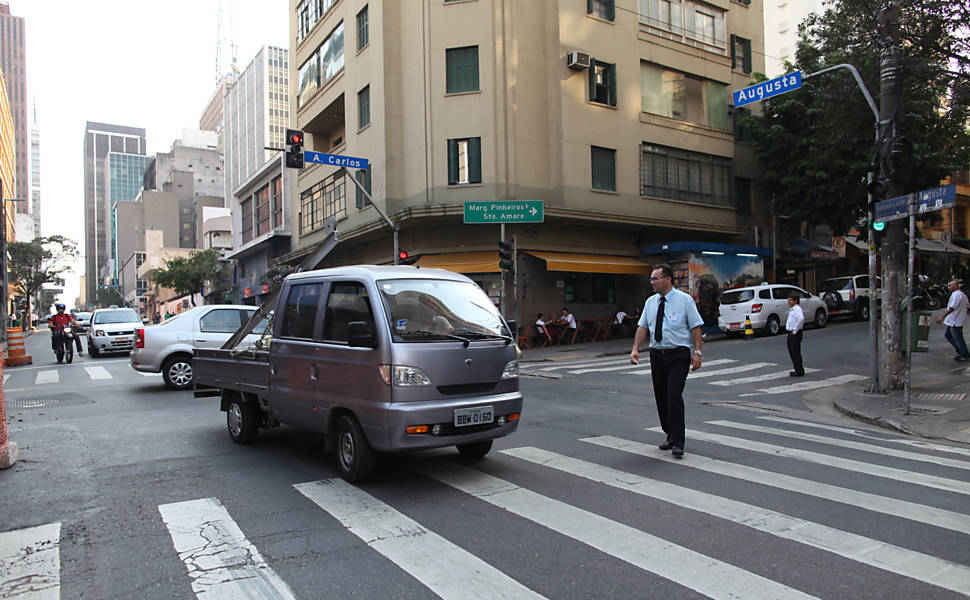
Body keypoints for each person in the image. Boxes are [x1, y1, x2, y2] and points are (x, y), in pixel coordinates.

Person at [630, 264, 703, 458]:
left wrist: (697, 353)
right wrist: (636, 348)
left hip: (678, 354)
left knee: (673, 395)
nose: (652, 282)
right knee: (661, 397)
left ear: (668, 279)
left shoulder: (685, 300)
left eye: (655, 279)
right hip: (657, 354)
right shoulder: (651, 302)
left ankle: (678, 442)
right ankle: (669, 434)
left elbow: (696, 327)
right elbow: (642, 327)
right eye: (651, 279)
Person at [936, 279, 969, 361]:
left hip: (955, 320)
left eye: (950, 285)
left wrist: (942, 317)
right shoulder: (962, 295)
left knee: (957, 338)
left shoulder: (957, 295)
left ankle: (964, 354)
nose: (948, 287)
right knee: (948, 335)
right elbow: (967, 305)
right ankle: (960, 351)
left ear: (956, 286)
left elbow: (952, 308)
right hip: (954, 320)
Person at [786, 292, 805, 376]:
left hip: (795, 334)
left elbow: (801, 319)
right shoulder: (793, 309)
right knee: (792, 352)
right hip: (791, 333)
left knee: (795, 352)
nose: (789, 302)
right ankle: (797, 368)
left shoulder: (797, 309)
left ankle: (799, 370)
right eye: (788, 300)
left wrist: (795, 330)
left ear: (796, 301)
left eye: (790, 300)